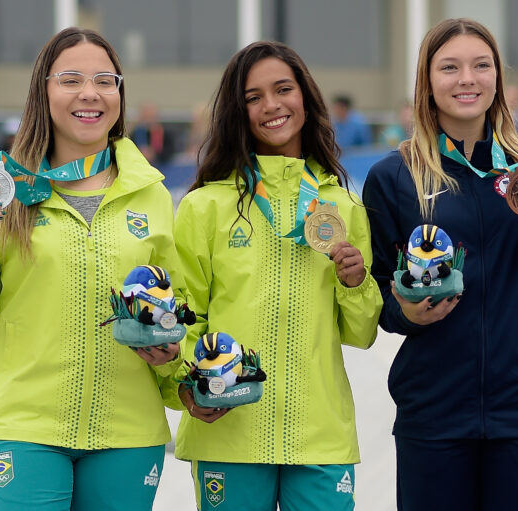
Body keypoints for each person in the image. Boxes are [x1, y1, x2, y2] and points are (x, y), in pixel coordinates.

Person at [0, 27, 186, 510]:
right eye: (70, 79)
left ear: (119, 94)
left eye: (104, 80)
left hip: (127, 432)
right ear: (42, 91)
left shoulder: (150, 193)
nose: (89, 93)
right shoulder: (6, 190)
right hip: (24, 428)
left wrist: (173, 356)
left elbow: (175, 303)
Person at [362, 18, 518, 511]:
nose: (468, 79)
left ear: (498, 78)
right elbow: (379, 294)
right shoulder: (394, 177)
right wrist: (407, 314)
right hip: (434, 410)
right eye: (450, 67)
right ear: (427, 81)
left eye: (481, 65)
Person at [172, 41, 383, 511]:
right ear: (236, 111)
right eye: (253, 97)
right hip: (229, 430)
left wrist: (355, 284)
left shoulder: (343, 207)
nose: (271, 105)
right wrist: (191, 389)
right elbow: (185, 316)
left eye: (283, 89)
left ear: (305, 98)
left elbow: (362, 332)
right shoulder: (204, 207)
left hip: (320, 437)